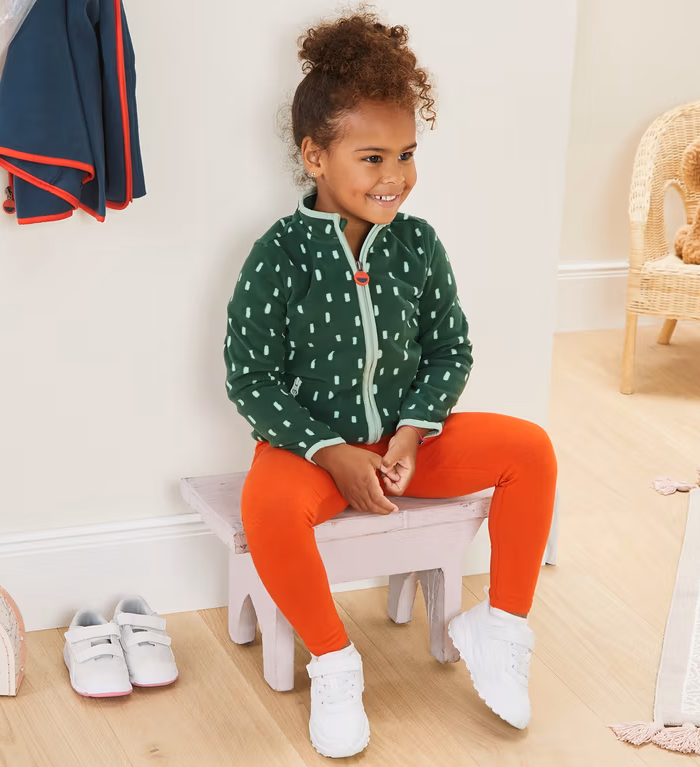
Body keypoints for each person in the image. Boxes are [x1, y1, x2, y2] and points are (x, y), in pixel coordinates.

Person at [224, 10, 557, 759]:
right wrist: (330, 451)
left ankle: (502, 627)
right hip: (312, 453)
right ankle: (335, 662)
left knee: (530, 450)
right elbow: (251, 379)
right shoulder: (279, 255)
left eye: (406, 154)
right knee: (266, 506)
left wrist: (411, 432)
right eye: (372, 157)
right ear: (315, 155)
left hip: (411, 447)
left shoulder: (417, 244)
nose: (395, 176)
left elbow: (450, 349)